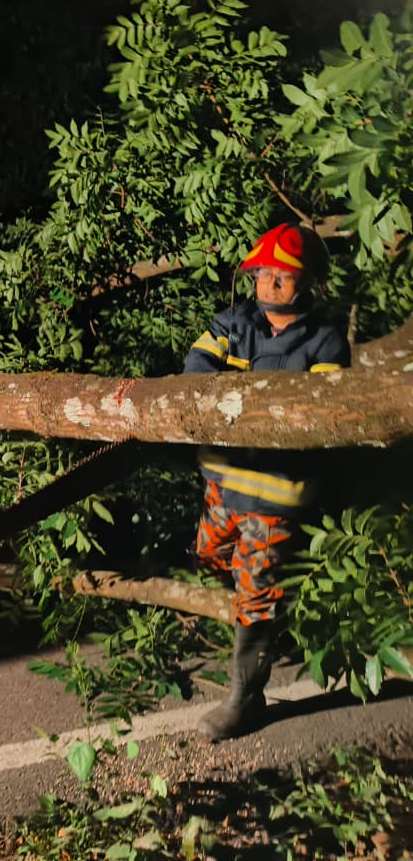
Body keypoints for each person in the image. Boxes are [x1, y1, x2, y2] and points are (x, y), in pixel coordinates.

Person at [183, 223, 350, 740]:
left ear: (310, 282)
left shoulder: (325, 341)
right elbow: (195, 369)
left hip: (274, 493)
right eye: (263, 274)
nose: (271, 284)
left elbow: (317, 410)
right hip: (222, 482)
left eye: (285, 276)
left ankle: (246, 699)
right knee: (211, 555)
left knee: (254, 591)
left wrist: (250, 407)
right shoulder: (232, 324)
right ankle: (276, 620)